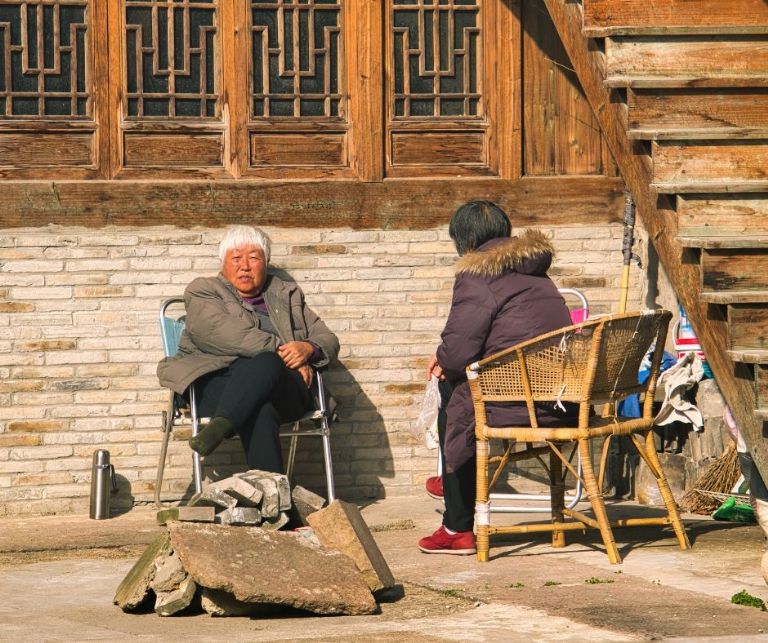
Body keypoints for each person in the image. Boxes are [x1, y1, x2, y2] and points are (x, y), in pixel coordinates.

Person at [418, 200, 577, 555]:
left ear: (463, 240)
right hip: (562, 401)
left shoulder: (478, 275)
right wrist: (448, 358)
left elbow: (458, 352)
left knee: (452, 389)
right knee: (459, 388)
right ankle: (454, 483)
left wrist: (443, 360)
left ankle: (456, 525)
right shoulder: (536, 272)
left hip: (518, 403)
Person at [157, 225, 339, 474]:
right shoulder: (203, 290)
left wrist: (308, 349)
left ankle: (222, 425)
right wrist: (284, 352)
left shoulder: (287, 294)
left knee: (266, 366)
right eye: (236, 258)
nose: (245, 266)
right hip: (218, 384)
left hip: (286, 389)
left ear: (266, 262)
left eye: (253, 258)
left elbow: (327, 337)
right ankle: (274, 496)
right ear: (223, 263)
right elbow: (219, 331)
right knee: (260, 404)